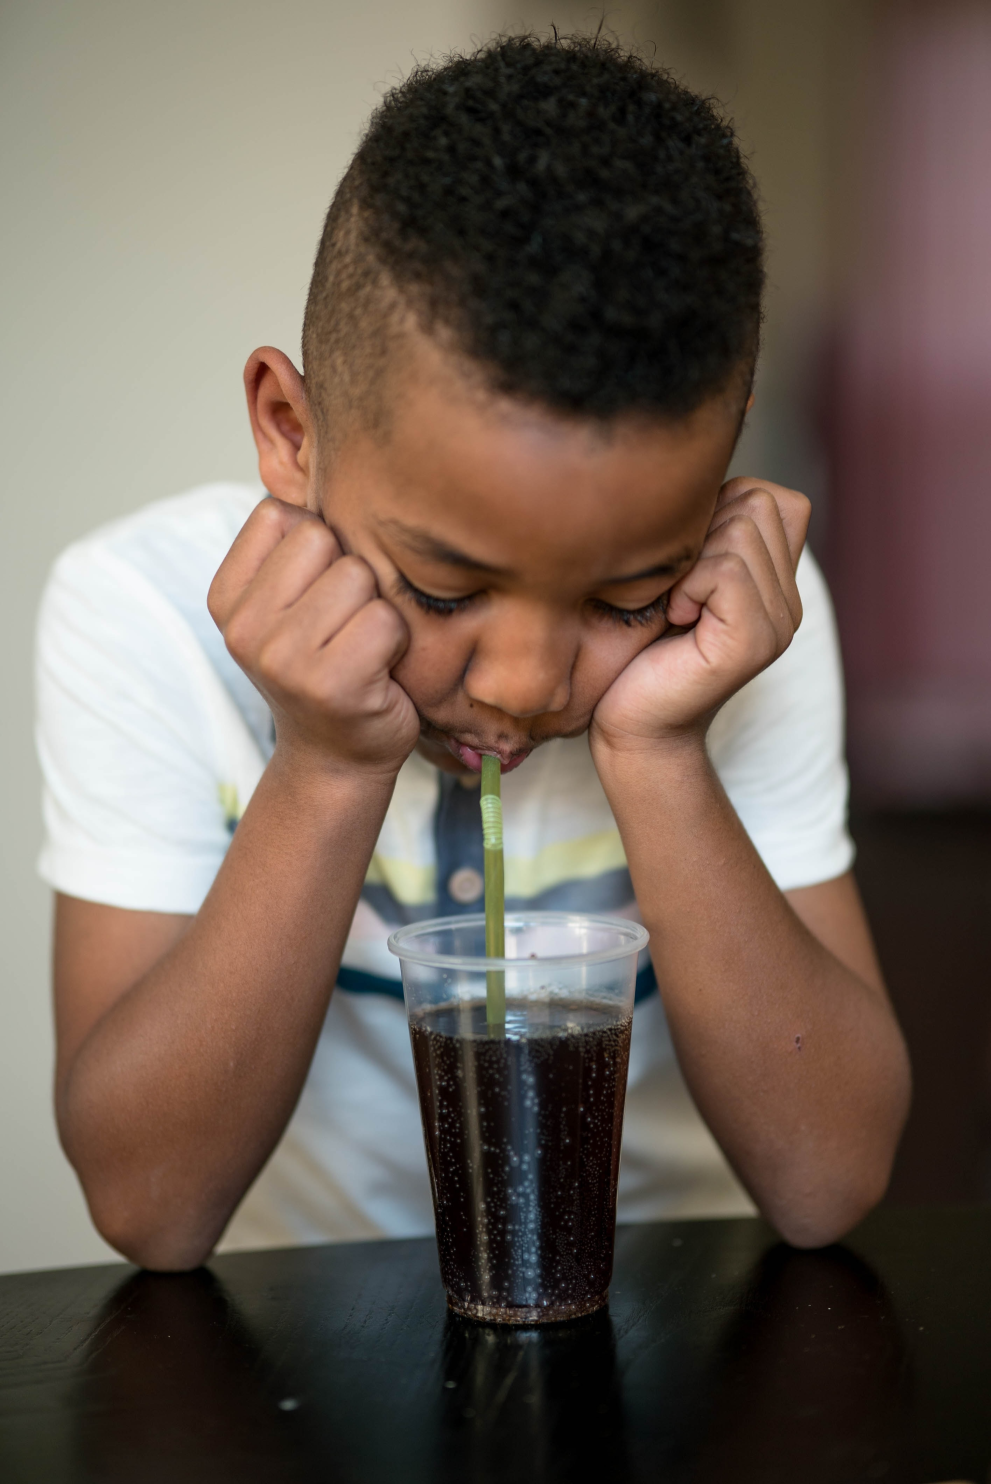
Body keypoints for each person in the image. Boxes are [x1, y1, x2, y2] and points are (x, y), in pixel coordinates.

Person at [37, 34, 910, 1272]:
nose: (521, 682)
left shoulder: (737, 629)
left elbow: (827, 1183)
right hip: (307, 1334)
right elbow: (147, 1203)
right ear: (291, 430)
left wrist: (660, 749)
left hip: (683, 1309)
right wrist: (328, 766)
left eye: (629, 593)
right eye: (444, 586)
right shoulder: (141, 612)